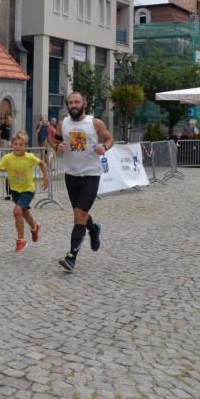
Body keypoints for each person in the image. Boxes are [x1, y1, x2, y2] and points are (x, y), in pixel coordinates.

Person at [50, 92, 113, 272]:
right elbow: (54, 141)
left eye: (77, 102)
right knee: (81, 215)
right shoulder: (63, 124)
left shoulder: (95, 123)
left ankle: (71, 257)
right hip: (71, 175)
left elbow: (109, 139)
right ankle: (93, 230)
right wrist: (57, 146)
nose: (73, 105)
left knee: (79, 214)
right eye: (70, 103)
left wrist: (104, 147)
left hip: (91, 174)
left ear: (84, 103)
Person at [0, 130, 48, 251]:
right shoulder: (8, 158)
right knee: (25, 213)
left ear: (26, 147)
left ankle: (21, 241)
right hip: (15, 190)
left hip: (28, 189)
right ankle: (34, 227)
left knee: (17, 211)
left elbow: (42, 164)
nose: (18, 147)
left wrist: (46, 179)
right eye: (15, 144)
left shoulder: (29, 157)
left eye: (21, 145)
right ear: (12, 145)